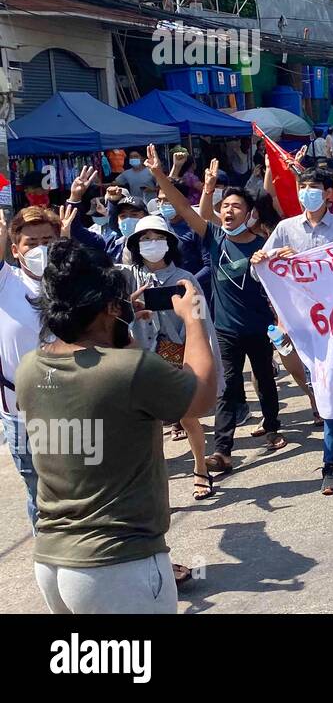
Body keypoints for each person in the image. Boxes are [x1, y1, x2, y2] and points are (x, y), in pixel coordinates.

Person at [17, 241, 217, 614]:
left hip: (53, 561)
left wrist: (118, 327)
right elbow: (203, 397)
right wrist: (193, 320)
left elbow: (101, 372)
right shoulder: (132, 370)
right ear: (110, 306)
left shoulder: (30, 368)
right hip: (118, 564)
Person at [146, 149, 298, 476]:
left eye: (236, 207)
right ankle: (222, 450)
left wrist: (281, 256)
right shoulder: (214, 237)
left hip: (259, 327)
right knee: (228, 386)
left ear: (250, 214)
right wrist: (160, 175)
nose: (228, 211)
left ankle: (272, 427)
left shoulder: (262, 244)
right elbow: (184, 208)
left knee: (266, 379)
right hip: (225, 328)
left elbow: (287, 273)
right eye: (225, 206)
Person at [253, 167, 333, 491]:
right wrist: (264, 259)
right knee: (323, 385)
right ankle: (331, 459)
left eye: (314, 187)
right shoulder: (285, 229)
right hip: (299, 324)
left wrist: (307, 261)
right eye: (303, 186)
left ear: (328, 193)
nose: (307, 192)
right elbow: (262, 273)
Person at [120, 214, 222, 501]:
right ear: (135, 245)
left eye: (158, 238)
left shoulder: (185, 279)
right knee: (147, 425)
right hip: (141, 359)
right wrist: (130, 305)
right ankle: (154, 487)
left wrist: (204, 358)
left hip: (178, 355)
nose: (152, 244)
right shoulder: (128, 277)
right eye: (145, 239)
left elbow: (202, 320)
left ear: (170, 243)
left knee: (188, 416)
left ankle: (201, 468)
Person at [0, 207, 61, 528]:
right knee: (40, 495)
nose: (40, 249)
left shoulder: (74, 284)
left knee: (84, 487)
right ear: (14, 249)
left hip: (75, 409)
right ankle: (51, 569)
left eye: (48, 241)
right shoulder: (5, 282)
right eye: (30, 242)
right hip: (21, 416)